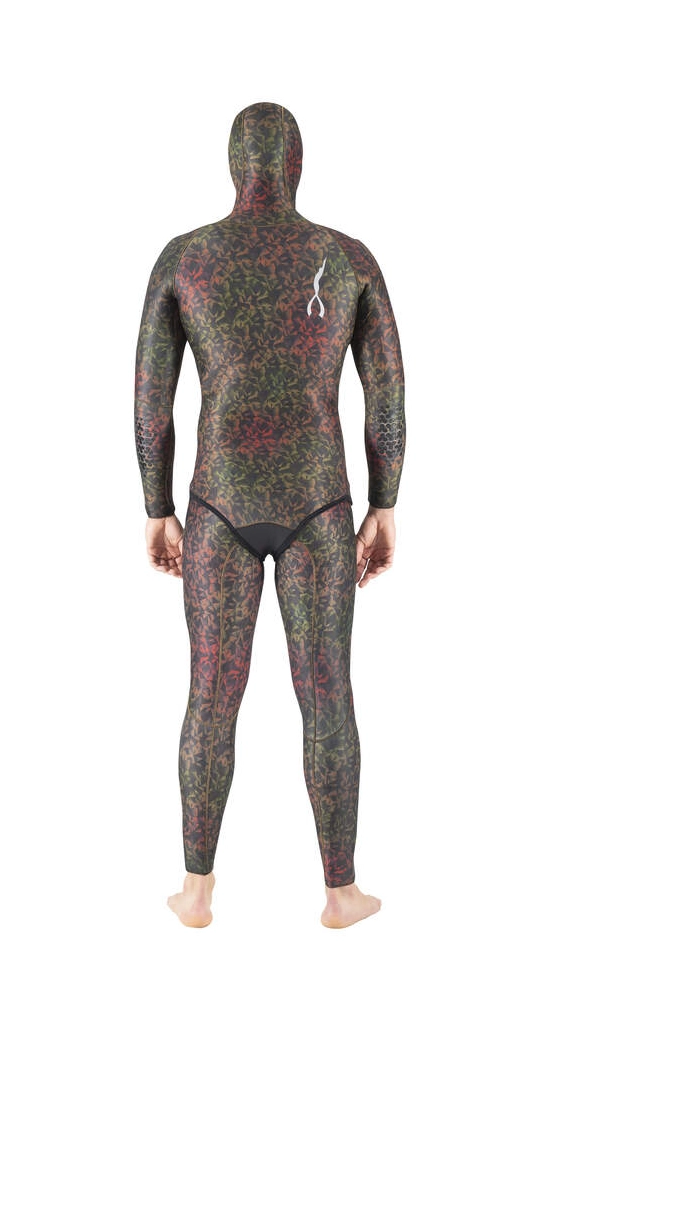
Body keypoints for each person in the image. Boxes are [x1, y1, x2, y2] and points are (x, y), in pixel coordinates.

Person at [133, 101, 406, 929]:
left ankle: (196, 892)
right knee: (328, 696)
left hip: (218, 501)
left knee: (210, 695)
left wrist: (157, 505)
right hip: (318, 502)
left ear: (233, 165)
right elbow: (387, 395)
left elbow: (151, 402)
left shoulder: (186, 259)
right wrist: (385, 501)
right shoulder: (346, 258)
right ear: (296, 164)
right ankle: (341, 894)